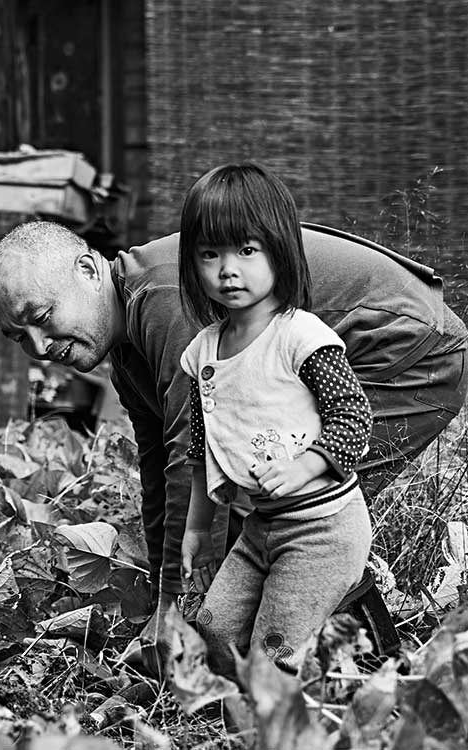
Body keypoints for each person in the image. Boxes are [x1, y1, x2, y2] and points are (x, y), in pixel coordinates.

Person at [0, 180, 468, 647]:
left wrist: (176, 609)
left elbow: (188, 462)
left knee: (300, 517)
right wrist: (164, 598)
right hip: (376, 353)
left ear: (89, 271)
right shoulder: (127, 352)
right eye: (16, 337)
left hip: (407, 355)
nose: (39, 347)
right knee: (265, 517)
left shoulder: (163, 301)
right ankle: (285, 657)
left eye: (43, 318)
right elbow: (160, 472)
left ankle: (343, 665)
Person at [177, 162, 373, 674]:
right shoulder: (204, 354)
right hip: (262, 526)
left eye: (246, 250)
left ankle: (284, 719)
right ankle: (239, 712)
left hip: (323, 528)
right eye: (209, 254)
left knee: (274, 651)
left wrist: (305, 464)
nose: (227, 269)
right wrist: (197, 530)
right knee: (215, 630)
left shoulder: (300, 337)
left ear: (279, 249)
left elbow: (354, 417)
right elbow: (203, 448)